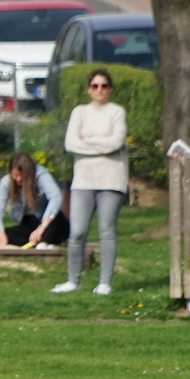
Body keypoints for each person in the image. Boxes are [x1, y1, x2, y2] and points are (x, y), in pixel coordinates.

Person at [51, 68, 128, 295]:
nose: (99, 90)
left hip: (111, 180)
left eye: (104, 86)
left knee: (106, 231)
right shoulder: (79, 112)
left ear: (110, 89)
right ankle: (73, 281)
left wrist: (89, 140)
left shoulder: (117, 112)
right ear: (89, 89)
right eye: (95, 86)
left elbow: (116, 143)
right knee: (77, 232)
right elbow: (70, 144)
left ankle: (104, 283)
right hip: (83, 181)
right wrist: (101, 144)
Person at [0, 152, 65, 249]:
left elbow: (56, 197)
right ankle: (35, 244)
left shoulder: (41, 175)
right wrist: (1, 237)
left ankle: (43, 242)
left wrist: (42, 226)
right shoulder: (6, 182)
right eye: (15, 175)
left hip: (47, 223)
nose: (18, 179)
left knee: (55, 216)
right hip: (28, 225)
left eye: (22, 175)